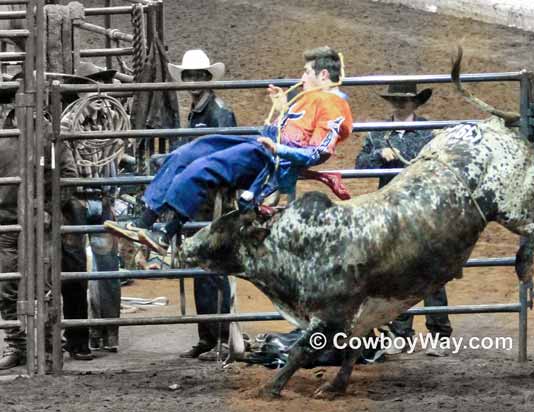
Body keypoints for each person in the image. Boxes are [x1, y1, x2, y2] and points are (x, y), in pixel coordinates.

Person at [105, 46, 353, 256]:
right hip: (260, 144)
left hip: (270, 159)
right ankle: (145, 221)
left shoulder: (334, 106)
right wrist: (281, 108)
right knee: (189, 152)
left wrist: (277, 148)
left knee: (202, 166)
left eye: (306, 71)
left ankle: (164, 233)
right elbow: (290, 130)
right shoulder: (308, 99)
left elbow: (318, 152)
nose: (302, 76)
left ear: (322, 74)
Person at [0, 88, 93, 368]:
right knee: (7, 287)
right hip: (7, 221)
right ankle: (18, 345)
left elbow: (68, 176)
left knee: (47, 285)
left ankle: (51, 345)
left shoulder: (48, 135)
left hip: (37, 221)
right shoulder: (5, 134)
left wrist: (49, 207)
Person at [355, 82, 452, 349]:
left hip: (423, 211)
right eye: (396, 99)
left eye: (405, 99)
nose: (400, 103)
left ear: (416, 102)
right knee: (396, 274)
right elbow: (360, 164)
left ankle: (439, 335)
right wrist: (378, 155)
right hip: (390, 212)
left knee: (431, 272)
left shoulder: (429, 133)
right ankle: (400, 334)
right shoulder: (378, 134)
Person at [168, 49, 238, 358]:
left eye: (198, 75)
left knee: (211, 268)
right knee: (202, 266)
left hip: (213, 200)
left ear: (208, 78)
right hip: (200, 200)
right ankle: (210, 337)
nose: (193, 81)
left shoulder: (218, 113)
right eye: (189, 76)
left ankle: (219, 337)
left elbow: (225, 155)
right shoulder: (200, 111)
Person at [61, 62, 124, 353]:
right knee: (75, 269)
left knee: (108, 266)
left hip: (102, 198)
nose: (100, 89)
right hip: (78, 201)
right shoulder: (67, 121)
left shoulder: (110, 117)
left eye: (103, 83)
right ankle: (79, 337)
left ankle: (107, 333)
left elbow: (116, 152)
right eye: (94, 83)